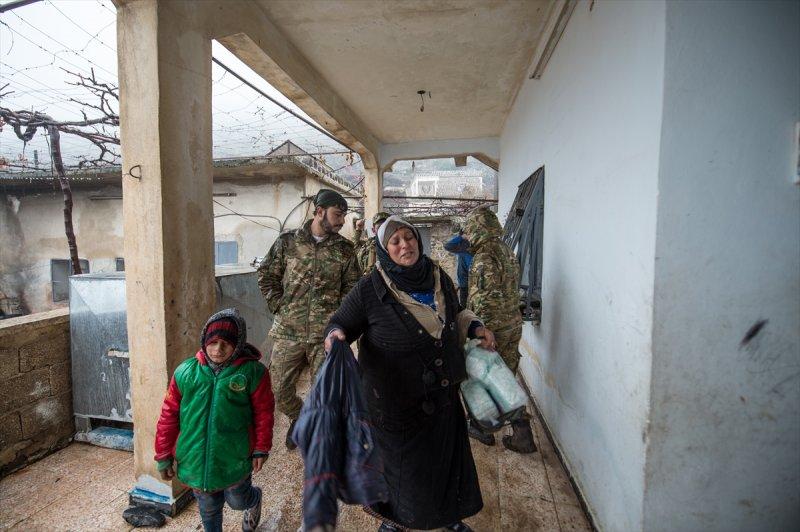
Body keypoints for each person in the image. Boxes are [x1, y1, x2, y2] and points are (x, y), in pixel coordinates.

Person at [324, 215, 496, 532]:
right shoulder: (370, 289)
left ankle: (448, 518)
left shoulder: (438, 276)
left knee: (444, 462)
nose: (405, 245)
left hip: (442, 397)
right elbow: (340, 323)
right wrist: (335, 336)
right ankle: (394, 521)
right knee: (401, 469)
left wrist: (474, 326)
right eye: (395, 240)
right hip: (394, 404)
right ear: (384, 248)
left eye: (410, 237)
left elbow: (454, 314)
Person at [154, 309, 275, 532]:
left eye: (226, 343)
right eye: (213, 342)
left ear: (238, 344)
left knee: (237, 500)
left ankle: (253, 499)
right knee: (208, 510)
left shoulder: (253, 373)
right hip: (195, 461)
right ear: (204, 341)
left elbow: (264, 413)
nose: (218, 349)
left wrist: (261, 447)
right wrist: (163, 455)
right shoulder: (185, 372)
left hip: (234, 458)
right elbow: (168, 416)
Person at [257, 188, 360, 450]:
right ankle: (298, 417)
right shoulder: (288, 242)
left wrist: (340, 319)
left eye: (344, 216)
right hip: (288, 330)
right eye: (338, 215)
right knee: (278, 390)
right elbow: (267, 274)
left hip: (325, 335)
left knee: (325, 393)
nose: (341, 221)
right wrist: (279, 305)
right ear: (319, 212)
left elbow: (353, 288)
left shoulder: (345, 250)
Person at [464, 206, 536, 453]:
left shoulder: (484, 257)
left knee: (480, 378)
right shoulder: (506, 251)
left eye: (469, 230)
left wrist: (479, 331)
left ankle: (481, 428)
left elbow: (482, 299)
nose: (466, 236)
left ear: (476, 228)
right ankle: (521, 433)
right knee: (503, 378)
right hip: (512, 323)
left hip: (492, 328)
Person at [443, 223, 473, 308]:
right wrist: (461, 237)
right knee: (464, 308)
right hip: (464, 283)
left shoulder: (475, 247)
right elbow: (447, 246)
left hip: (474, 282)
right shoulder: (462, 246)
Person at [355, 211, 390, 276]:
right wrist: (358, 229)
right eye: (380, 227)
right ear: (373, 230)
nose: (383, 230)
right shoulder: (370, 244)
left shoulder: (396, 246)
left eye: (386, 227)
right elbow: (356, 249)